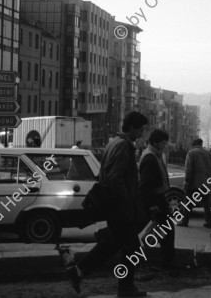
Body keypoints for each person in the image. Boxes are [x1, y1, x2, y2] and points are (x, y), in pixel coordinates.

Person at [65, 111, 149, 298]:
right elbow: (114, 178)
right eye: (141, 129)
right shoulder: (123, 146)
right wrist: (127, 201)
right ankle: (126, 288)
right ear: (133, 128)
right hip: (120, 207)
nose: (142, 134)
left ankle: (78, 271)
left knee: (112, 243)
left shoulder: (116, 143)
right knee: (132, 247)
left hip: (116, 206)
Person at [138, 129, 175, 269]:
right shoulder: (150, 158)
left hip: (158, 199)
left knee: (162, 229)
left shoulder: (155, 155)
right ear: (155, 142)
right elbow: (145, 185)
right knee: (167, 230)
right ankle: (167, 262)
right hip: (156, 199)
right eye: (163, 143)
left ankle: (167, 261)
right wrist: (153, 205)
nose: (165, 145)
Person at [180, 138, 211, 228]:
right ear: (201, 144)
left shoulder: (191, 153)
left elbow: (188, 169)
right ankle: (208, 222)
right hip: (206, 183)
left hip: (194, 183)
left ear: (193, 144)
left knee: (188, 203)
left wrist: (187, 182)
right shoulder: (209, 153)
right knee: (206, 204)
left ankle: (185, 221)